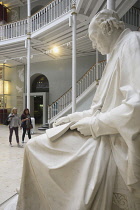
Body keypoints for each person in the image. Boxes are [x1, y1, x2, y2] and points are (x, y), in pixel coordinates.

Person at [16, 9, 140, 210]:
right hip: (104, 130)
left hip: (113, 138)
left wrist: (93, 125)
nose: (93, 44)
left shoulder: (132, 43)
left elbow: (136, 108)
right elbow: (100, 109)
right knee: (36, 144)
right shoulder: (115, 55)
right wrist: (72, 118)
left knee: (35, 147)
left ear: (107, 28)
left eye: (93, 38)